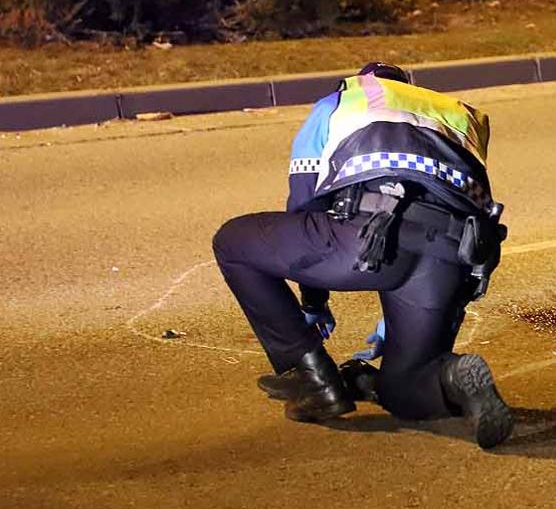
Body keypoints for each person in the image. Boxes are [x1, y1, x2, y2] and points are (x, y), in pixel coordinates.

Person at [212, 62, 512, 448]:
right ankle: (452, 375)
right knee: (403, 387)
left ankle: (312, 379)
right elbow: (472, 212)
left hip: (368, 234)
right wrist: (395, 326)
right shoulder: (458, 114)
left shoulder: (337, 103)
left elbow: (304, 205)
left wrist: (313, 303)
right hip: (451, 253)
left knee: (233, 243)